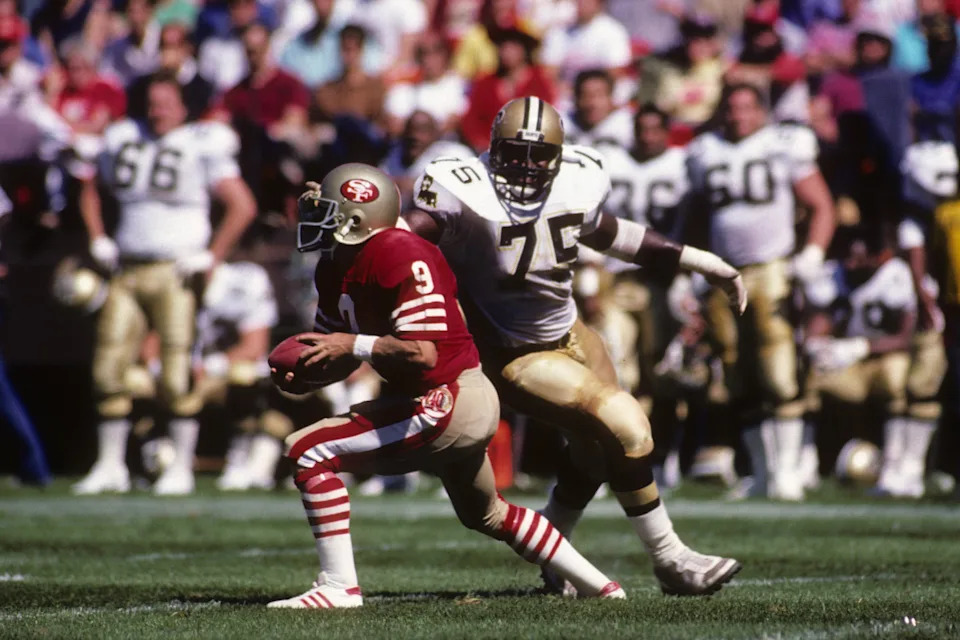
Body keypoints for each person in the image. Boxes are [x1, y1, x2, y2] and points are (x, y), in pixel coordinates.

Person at [405, 96, 746, 596]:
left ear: (559, 156)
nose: (524, 165)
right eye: (513, 153)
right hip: (514, 352)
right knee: (627, 426)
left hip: (572, 333)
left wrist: (701, 260)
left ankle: (555, 552)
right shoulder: (463, 189)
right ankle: (671, 558)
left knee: (592, 454)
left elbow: (608, 233)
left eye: (537, 154)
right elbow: (407, 238)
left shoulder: (577, 181)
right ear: (492, 149)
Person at [268, 164, 625, 608]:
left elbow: (422, 352)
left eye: (327, 212)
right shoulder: (334, 268)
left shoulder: (399, 251)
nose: (315, 221)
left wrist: (350, 343)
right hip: (435, 398)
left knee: (308, 449)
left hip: (450, 395)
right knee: (487, 513)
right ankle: (603, 588)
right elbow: (339, 353)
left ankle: (339, 587)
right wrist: (305, 375)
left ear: (357, 220)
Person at [73, 72, 256, 495]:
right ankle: (110, 465)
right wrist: (98, 236)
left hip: (176, 271)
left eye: (166, 103)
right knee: (108, 365)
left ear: (184, 106)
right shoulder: (123, 136)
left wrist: (212, 255)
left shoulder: (201, 142)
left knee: (176, 370)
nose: (158, 111)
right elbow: (90, 188)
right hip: (127, 268)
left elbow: (241, 205)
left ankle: (180, 468)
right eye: (152, 103)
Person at [685, 83, 837, 501]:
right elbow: (696, 215)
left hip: (773, 265)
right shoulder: (705, 151)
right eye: (731, 109)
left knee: (778, 365)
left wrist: (813, 253)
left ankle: (788, 471)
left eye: (746, 108)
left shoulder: (783, 143)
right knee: (737, 369)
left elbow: (823, 204)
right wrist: (693, 267)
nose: (737, 117)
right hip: (725, 271)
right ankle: (764, 471)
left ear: (762, 112)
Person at [803, 230, 921, 496]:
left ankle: (895, 468)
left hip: (881, 360)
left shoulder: (896, 274)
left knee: (896, 375)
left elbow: (906, 337)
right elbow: (818, 325)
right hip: (849, 367)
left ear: (881, 257)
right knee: (813, 375)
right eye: (850, 259)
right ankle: (804, 464)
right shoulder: (834, 273)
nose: (852, 266)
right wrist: (818, 344)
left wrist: (863, 346)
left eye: (860, 260)